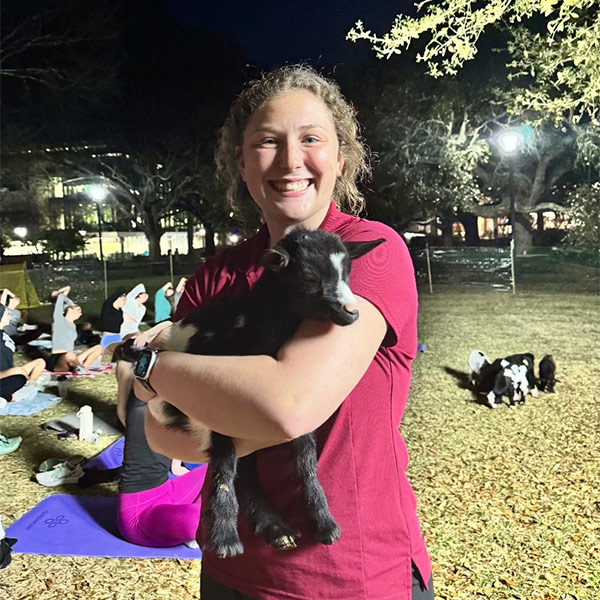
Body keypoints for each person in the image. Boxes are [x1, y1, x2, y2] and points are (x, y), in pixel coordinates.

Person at [133, 65, 433, 599]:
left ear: (341, 159)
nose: (292, 160)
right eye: (267, 142)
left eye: (311, 139)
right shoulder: (215, 276)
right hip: (231, 570)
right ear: (242, 165)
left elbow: (290, 404)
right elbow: (162, 434)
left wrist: (151, 370)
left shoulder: (368, 251)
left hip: (350, 575)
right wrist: (216, 399)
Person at [116, 388, 207, 548]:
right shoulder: (145, 404)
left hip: (166, 492)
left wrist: (176, 464)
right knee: (203, 522)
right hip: (140, 517)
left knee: (222, 468)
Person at [47, 286, 102, 372]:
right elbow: (63, 296)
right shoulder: (59, 320)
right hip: (57, 360)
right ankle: (78, 367)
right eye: (78, 310)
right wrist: (59, 293)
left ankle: (83, 367)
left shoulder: (73, 325)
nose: (80, 313)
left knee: (98, 347)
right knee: (69, 355)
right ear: (69, 310)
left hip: (71, 358)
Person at [0, 302, 46, 402]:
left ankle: (25, 386)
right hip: (3, 375)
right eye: (7, 314)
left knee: (40, 362)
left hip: (9, 373)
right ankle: (13, 395)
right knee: (18, 373)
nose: (10, 316)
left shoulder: (4, 333)